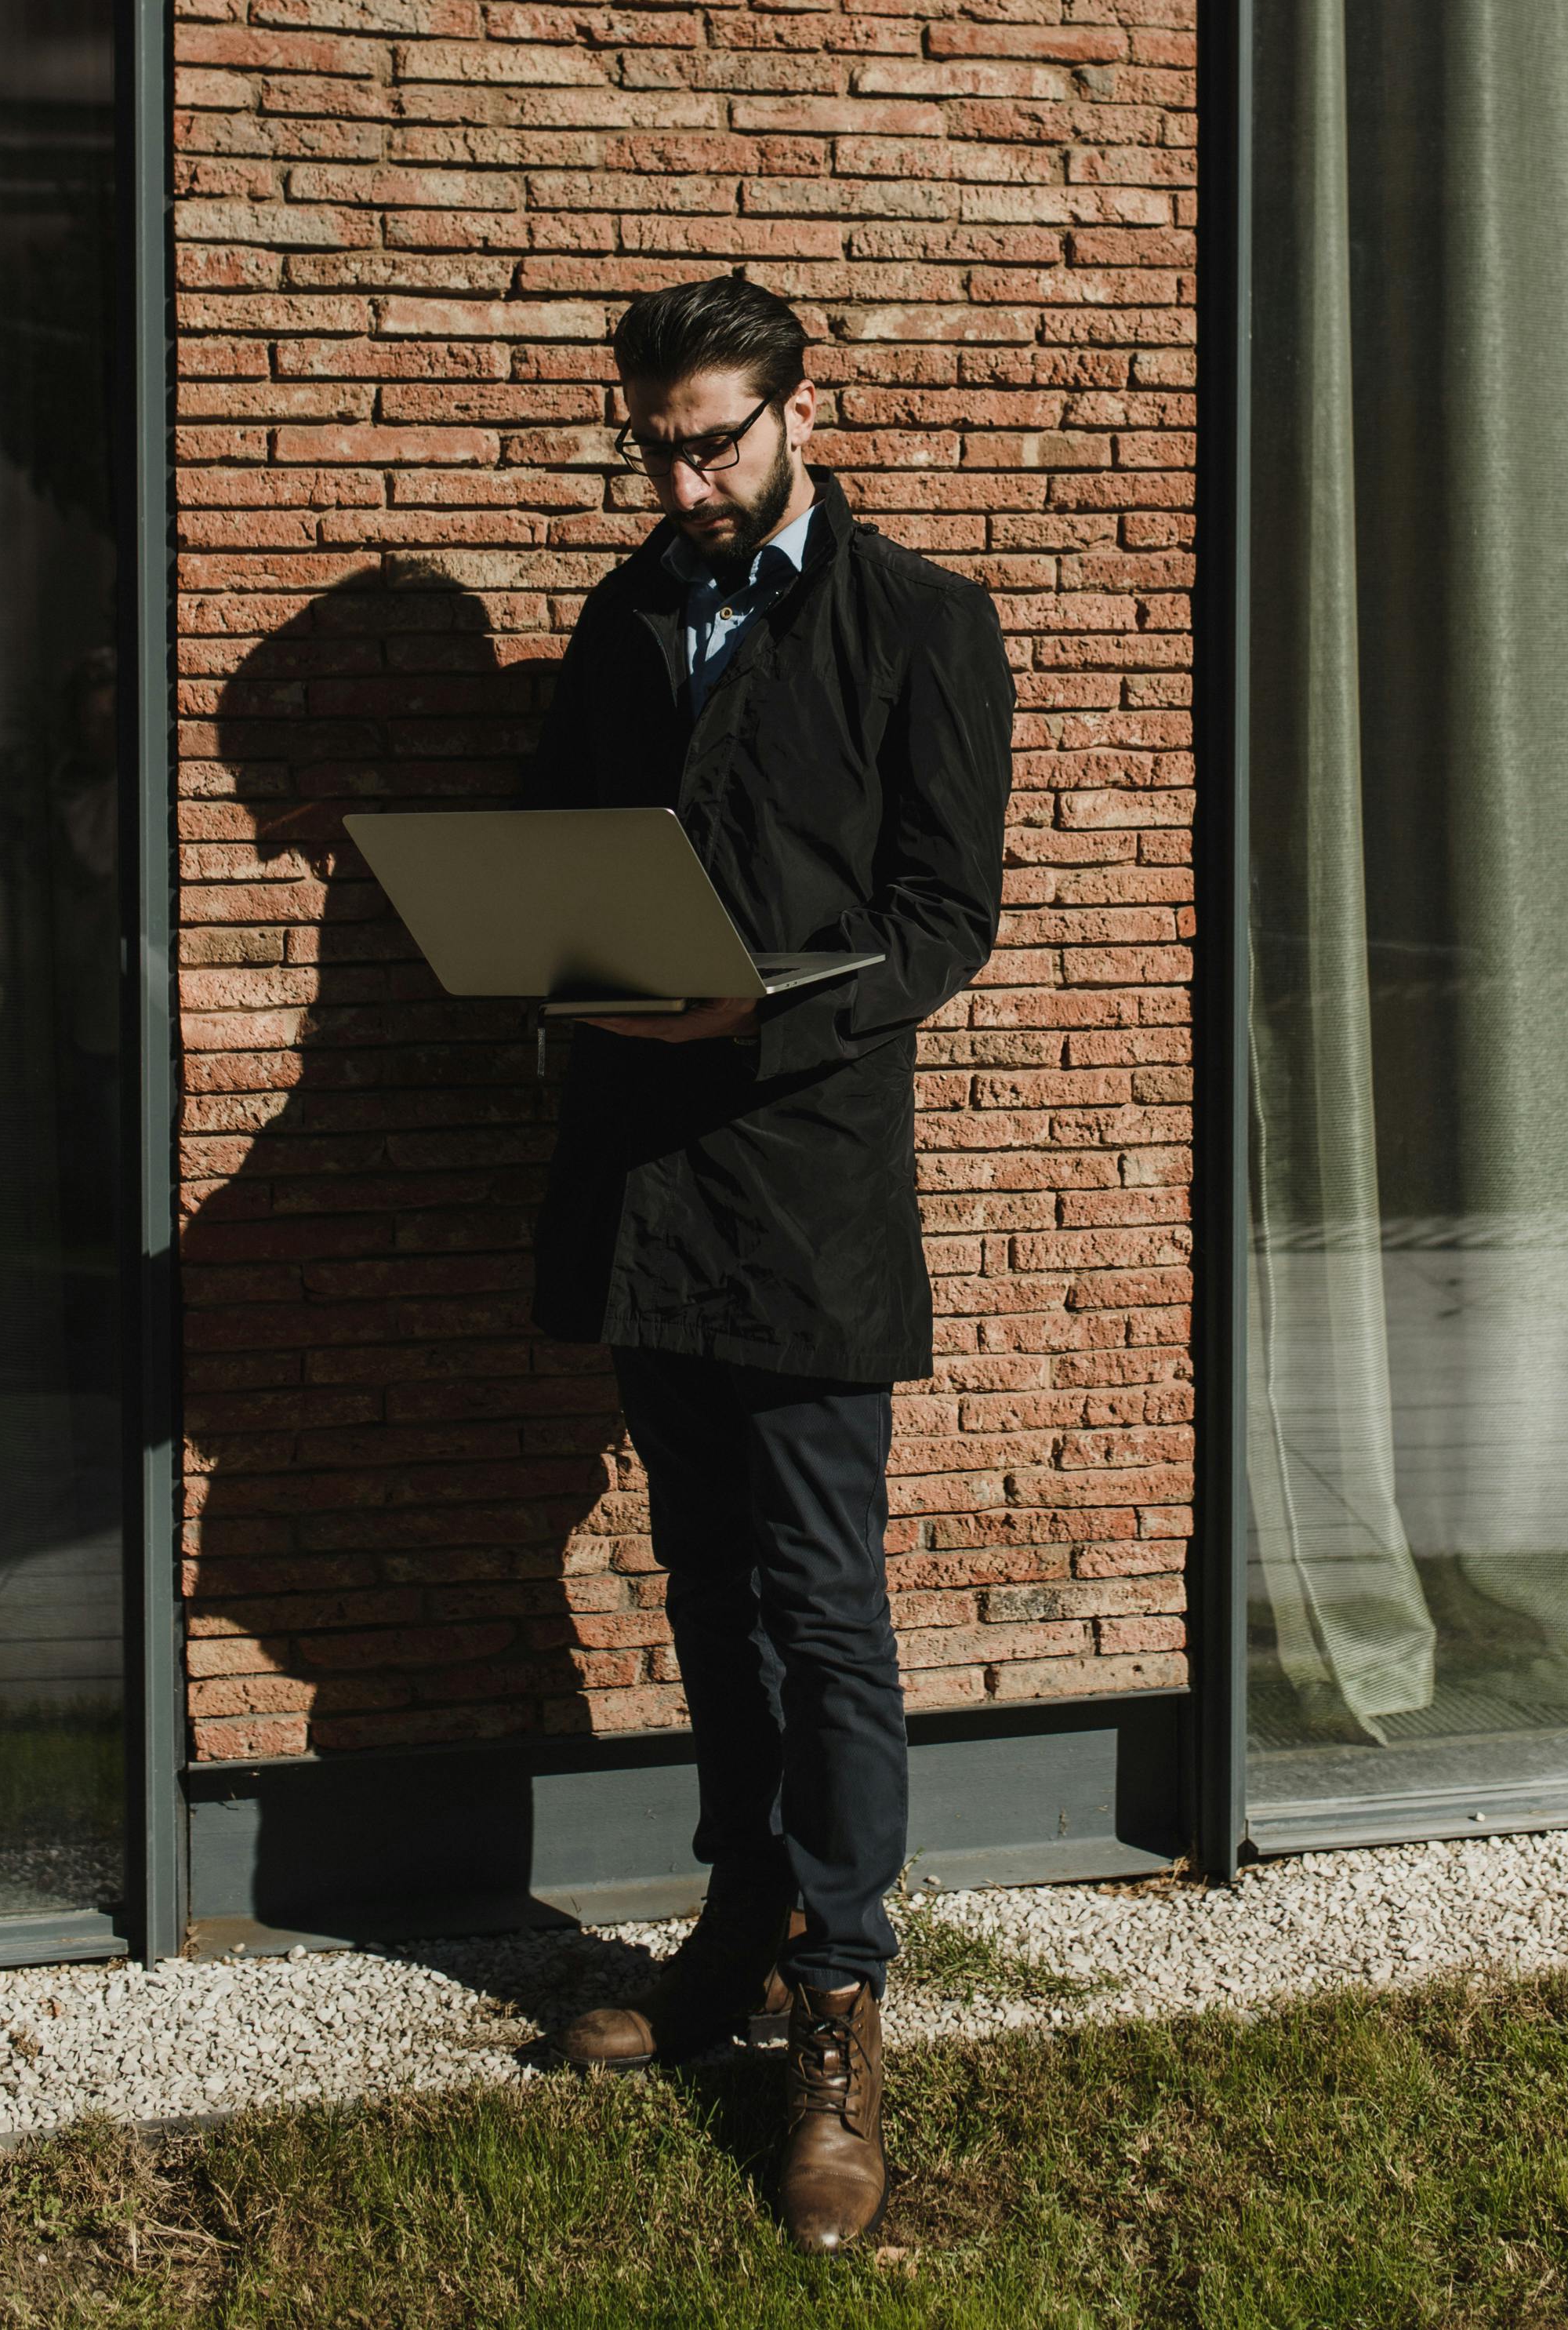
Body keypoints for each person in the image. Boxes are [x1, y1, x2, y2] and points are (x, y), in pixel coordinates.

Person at [525, 271, 1014, 2252]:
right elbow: (564, 853)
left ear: (805, 410)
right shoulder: (625, 610)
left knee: (823, 1597)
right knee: (703, 1578)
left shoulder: (919, 623)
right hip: (642, 1176)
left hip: (804, 1172)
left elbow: (944, 918)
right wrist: (553, 954)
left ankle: (842, 2000)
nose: (688, 477)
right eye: (657, 445)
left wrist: (756, 1023)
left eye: (716, 438)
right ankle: (737, 1929)